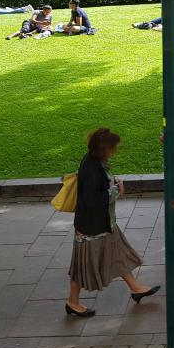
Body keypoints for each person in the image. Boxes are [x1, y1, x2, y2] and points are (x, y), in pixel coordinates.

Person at [66, 128, 160, 318]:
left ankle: (135, 288)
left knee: (118, 254)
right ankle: (73, 302)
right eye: (113, 148)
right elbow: (94, 199)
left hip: (102, 224)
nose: (115, 151)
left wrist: (112, 184)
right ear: (104, 149)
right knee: (83, 265)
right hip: (93, 227)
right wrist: (117, 190)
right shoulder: (92, 169)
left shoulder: (92, 162)